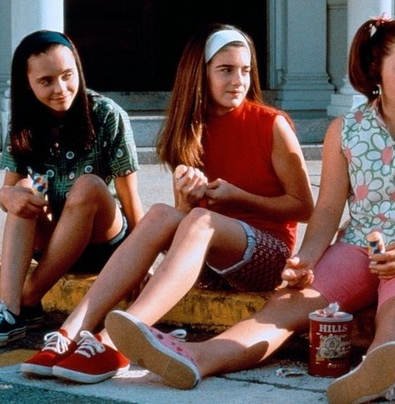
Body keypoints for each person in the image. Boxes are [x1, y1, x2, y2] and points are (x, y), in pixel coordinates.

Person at [104, 16, 395, 403]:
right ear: (377, 68)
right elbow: (325, 211)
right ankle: (197, 358)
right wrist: (305, 259)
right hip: (357, 248)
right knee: (285, 308)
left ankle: (377, 370)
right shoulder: (347, 129)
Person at [18, 23, 314, 385]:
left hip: (266, 255)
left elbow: (303, 207)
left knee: (202, 220)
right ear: (199, 74)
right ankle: (69, 333)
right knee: (161, 213)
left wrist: (237, 197)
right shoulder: (189, 129)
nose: (238, 80)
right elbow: (184, 221)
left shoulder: (272, 124)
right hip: (209, 260)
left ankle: (114, 343)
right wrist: (187, 201)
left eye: (245, 70)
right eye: (225, 70)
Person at [0, 30, 143, 348]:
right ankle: (12, 312)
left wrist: (142, 264)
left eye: (67, 76)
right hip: (53, 241)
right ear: (26, 83)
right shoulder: (23, 122)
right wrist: (8, 194)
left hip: (102, 240)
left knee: (87, 185)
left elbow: (130, 199)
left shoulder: (105, 115)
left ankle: (23, 300)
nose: (61, 89)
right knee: (24, 191)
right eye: (46, 81)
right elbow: (8, 194)